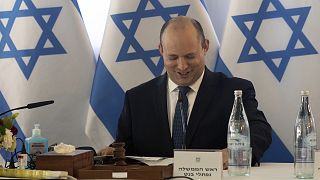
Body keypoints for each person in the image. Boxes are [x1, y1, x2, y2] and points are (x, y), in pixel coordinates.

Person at [99, 16, 272, 168]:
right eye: (173, 57)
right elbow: (124, 149)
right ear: (161, 50)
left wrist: (233, 154)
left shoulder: (234, 91)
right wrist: (110, 153)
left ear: (205, 46)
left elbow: (260, 132)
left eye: (190, 56)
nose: (182, 66)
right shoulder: (137, 99)